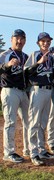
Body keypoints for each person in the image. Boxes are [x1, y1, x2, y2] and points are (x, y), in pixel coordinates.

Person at [24, 32, 54, 166]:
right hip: (37, 90)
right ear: (38, 42)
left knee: (43, 122)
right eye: (43, 41)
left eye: (48, 41)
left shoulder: (51, 56)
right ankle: (33, 152)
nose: (46, 43)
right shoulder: (35, 54)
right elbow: (26, 71)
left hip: (48, 90)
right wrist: (38, 63)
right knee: (34, 122)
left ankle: (41, 149)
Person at [0, 29, 29, 163]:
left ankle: (28, 149)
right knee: (10, 122)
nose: (19, 41)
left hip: (23, 92)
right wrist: (7, 65)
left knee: (29, 121)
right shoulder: (5, 54)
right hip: (9, 90)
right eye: (17, 38)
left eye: (22, 38)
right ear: (11, 39)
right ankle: (9, 152)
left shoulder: (25, 56)